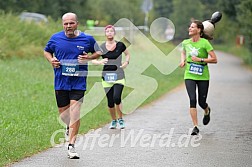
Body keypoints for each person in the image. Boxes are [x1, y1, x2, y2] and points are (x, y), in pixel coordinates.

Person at [44, 12, 100, 159]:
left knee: (75, 112)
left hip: (78, 82)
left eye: (71, 23)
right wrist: (51, 60)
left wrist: (88, 57)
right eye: (66, 24)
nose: (68, 26)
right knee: (64, 114)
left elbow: (98, 52)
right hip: (61, 82)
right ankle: (68, 128)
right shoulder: (55, 38)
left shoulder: (87, 39)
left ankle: (71, 146)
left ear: (77, 23)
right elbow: (47, 51)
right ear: (63, 25)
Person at [179, 20, 217, 135]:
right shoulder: (185, 42)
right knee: (192, 100)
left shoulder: (205, 43)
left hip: (203, 76)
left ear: (199, 30)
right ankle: (195, 126)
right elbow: (183, 52)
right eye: (189, 27)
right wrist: (182, 60)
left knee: (201, 102)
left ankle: (206, 110)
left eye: (192, 27)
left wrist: (200, 60)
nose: (190, 29)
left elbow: (214, 59)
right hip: (189, 74)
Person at [92, 25, 130, 129]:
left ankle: (120, 119)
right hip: (107, 76)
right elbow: (93, 60)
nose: (109, 33)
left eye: (111, 31)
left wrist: (126, 62)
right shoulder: (101, 47)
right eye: (107, 31)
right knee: (110, 101)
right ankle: (113, 120)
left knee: (117, 97)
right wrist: (100, 61)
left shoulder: (120, 45)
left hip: (119, 75)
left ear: (114, 33)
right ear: (105, 34)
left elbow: (127, 54)